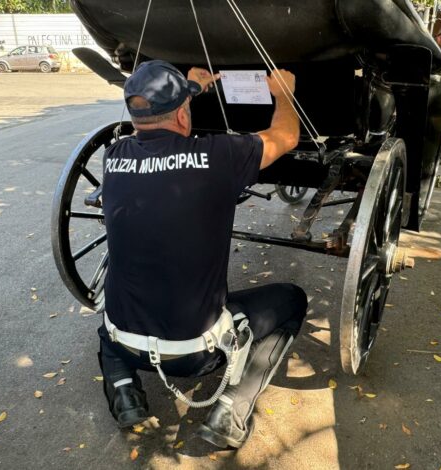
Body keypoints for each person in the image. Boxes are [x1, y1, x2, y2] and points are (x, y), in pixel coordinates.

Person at [98, 60, 307, 449]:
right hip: (194, 356)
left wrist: (187, 89)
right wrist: (283, 95)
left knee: (109, 322)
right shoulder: (218, 157)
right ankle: (230, 409)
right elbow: (286, 136)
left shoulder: (114, 157)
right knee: (292, 299)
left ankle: (125, 390)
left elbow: (148, 136)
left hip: (123, 341)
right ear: (182, 114)